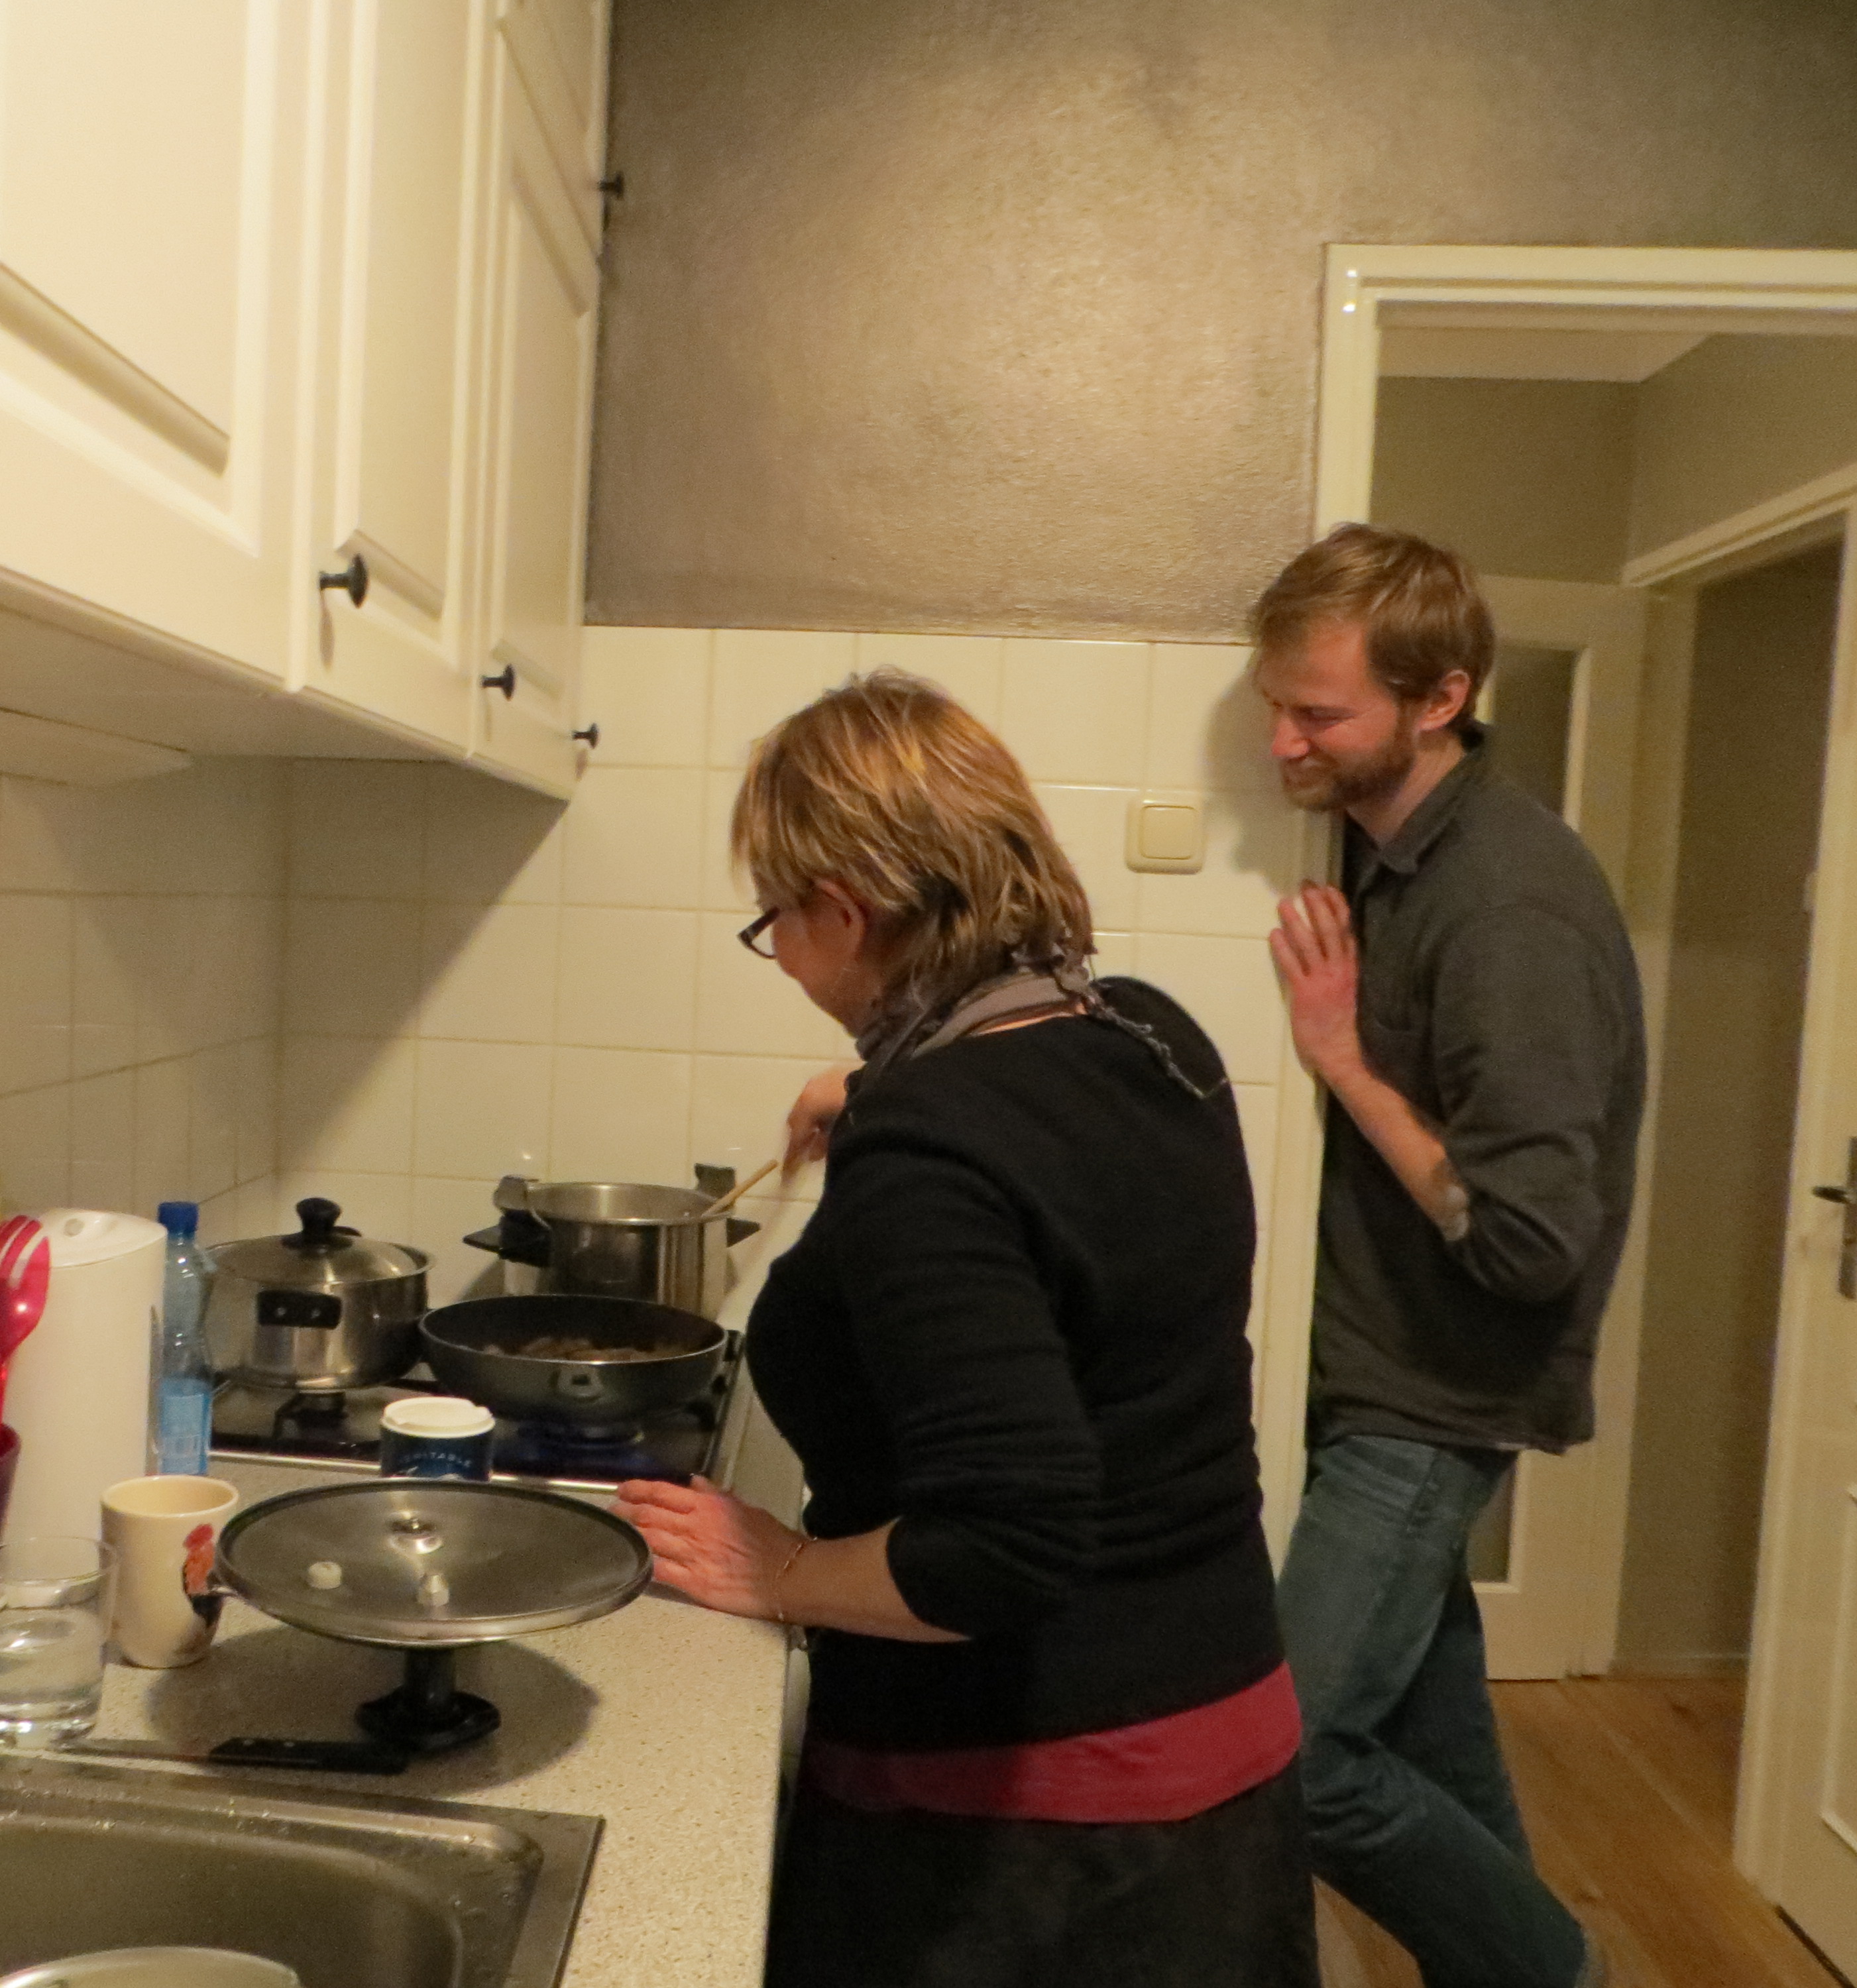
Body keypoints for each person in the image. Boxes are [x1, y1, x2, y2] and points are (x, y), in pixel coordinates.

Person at [614, 671, 1316, 1988]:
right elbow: (1055, 1191)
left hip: (1031, 1835)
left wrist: (784, 1572)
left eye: (777, 923)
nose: (786, 958)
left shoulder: (928, 1155)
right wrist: (873, 1086)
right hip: (1225, 1747)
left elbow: (1001, 1548)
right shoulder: (1151, 1039)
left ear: (845, 912)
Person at [1254, 524, 1643, 1988]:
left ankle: (1557, 1970)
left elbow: (1531, 1242)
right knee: (1431, 1737)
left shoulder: (1509, 902)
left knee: (1295, 1758)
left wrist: (1343, 1063)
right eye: (1275, 704)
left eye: (1318, 713)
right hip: (1376, 1368)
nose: (1282, 742)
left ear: (1440, 699)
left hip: (1431, 1397)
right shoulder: (1386, 850)